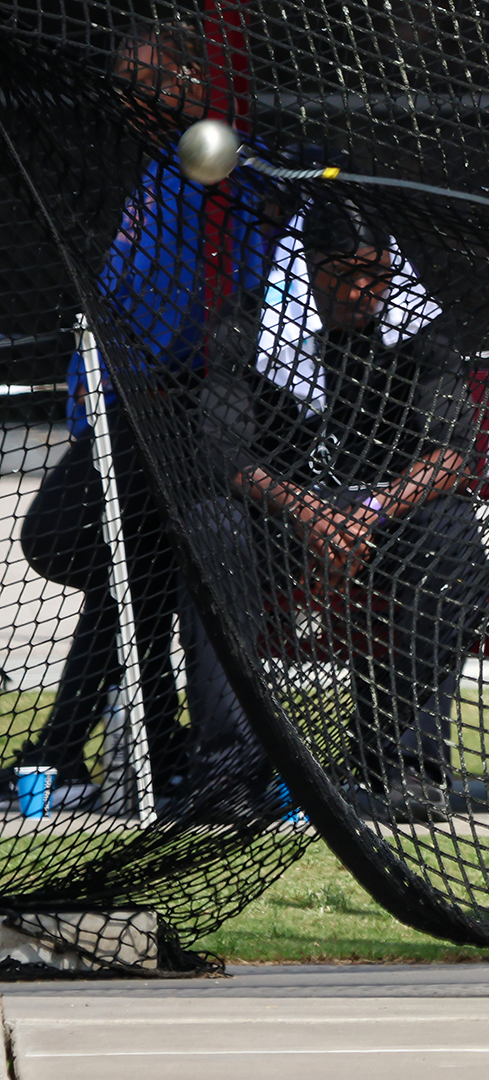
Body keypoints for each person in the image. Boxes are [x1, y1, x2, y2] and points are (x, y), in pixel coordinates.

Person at [11, 23, 274, 811]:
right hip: (126, 413)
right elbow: (116, 300)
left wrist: (176, 376)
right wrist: (84, 397)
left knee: (132, 570)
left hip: (191, 416)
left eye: (149, 82)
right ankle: (116, 739)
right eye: (125, 85)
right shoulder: (158, 177)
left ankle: (74, 750)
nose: (134, 101)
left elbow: (241, 300)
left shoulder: (237, 175)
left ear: (197, 79)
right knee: (86, 553)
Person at [189, 194, 489, 823]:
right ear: (309, 266)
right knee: (211, 527)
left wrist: (371, 510)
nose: (365, 292)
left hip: (384, 520)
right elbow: (220, 451)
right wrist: (308, 511)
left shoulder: (419, 329)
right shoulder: (247, 324)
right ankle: (232, 769)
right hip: (280, 520)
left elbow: (455, 453)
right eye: (347, 275)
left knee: (454, 536)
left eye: (377, 275)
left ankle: (404, 762)